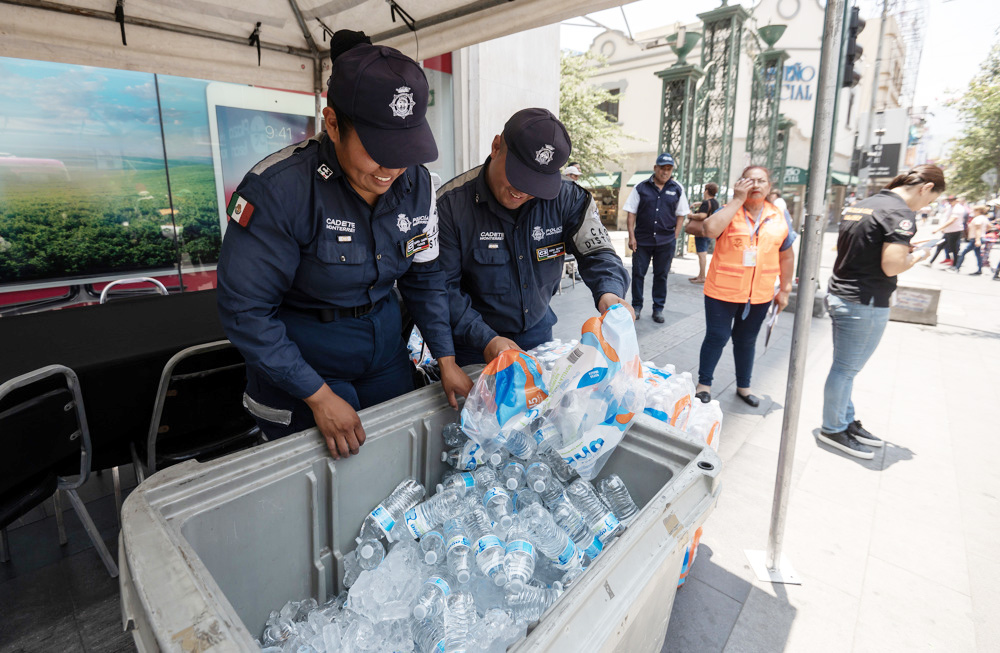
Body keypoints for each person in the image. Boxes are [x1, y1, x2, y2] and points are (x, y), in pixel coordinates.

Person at [216, 31, 472, 460]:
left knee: (394, 463)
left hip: (384, 354)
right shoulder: (279, 190)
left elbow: (425, 278)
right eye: (378, 150)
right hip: (303, 361)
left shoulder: (420, 186)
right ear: (332, 123)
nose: (391, 168)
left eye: (404, 149)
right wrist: (316, 395)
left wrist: (446, 358)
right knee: (319, 490)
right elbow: (246, 311)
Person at [437, 108, 631, 366]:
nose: (523, 191)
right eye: (518, 176)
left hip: (539, 336)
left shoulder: (568, 198)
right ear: (496, 147)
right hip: (474, 345)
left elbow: (597, 251)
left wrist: (609, 290)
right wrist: (485, 339)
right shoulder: (451, 205)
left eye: (536, 182)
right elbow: (442, 288)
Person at [819, 165, 946, 459]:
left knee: (845, 369)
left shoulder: (864, 204)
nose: (924, 206)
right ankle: (833, 428)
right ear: (925, 188)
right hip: (864, 300)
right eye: (929, 200)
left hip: (843, 293)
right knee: (845, 370)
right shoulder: (899, 214)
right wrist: (919, 254)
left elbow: (865, 247)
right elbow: (892, 265)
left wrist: (903, 246)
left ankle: (845, 421)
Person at [694, 166, 796, 408]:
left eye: (762, 181)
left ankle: (744, 386)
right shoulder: (730, 210)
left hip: (759, 294)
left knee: (747, 341)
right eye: (750, 181)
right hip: (721, 291)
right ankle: (704, 385)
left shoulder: (779, 216)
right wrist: (737, 199)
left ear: (769, 187)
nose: (757, 185)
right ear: (741, 184)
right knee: (717, 337)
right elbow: (709, 230)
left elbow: (787, 255)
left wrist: (785, 289)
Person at [625, 153, 691, 323]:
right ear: (655, 168)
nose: (665, 172)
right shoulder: (640, 187)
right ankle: (637, 307)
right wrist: (631, 237)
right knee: (638, 274)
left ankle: (658, 308)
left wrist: (674, 237)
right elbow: (631, 213)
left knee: (661, 275)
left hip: (665, 242)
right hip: (642, 241)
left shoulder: (677, 189)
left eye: (669, 169)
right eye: (662, 168)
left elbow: (681, 215)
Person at [687, 182, 720, 284]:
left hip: (701, 231)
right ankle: (700, 275)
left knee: (701, 254)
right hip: (709, 230)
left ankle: (702, 276)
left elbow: (702, 215)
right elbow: (709, 208)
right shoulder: (715, 202)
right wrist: (699, 203)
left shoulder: (706, 203)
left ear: (706, 191)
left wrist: (691, 215)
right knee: (703, 253)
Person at [954, 205, 990, 275]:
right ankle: (979, 270)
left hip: (975, 239)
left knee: (962, 253)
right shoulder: (984, 218)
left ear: (978, 211)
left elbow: (978, 229)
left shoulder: (978, 219)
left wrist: (977, 239)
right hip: (980, 238)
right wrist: (984, 232)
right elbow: (989, 226)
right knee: (978, 254)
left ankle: (957, 268)